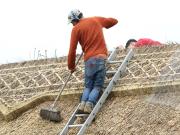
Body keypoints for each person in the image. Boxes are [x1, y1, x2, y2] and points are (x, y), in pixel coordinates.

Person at [67, 9, 118, 113]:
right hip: (100, 57)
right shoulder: (95, 20)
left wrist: (71, 67)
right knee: (97, 86)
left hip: (89, 60)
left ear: (76, 19)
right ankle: (89, 104)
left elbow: (72, 50)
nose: (72, 24)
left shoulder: (76, 29)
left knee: (88, 86)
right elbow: (114, 21)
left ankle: (82, 104)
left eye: (72, 22)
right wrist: (101, 23)